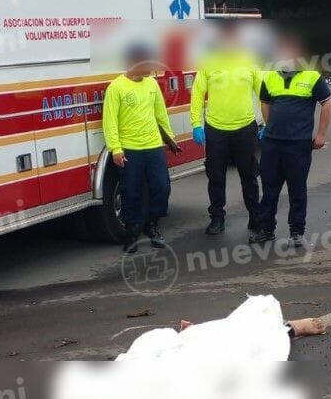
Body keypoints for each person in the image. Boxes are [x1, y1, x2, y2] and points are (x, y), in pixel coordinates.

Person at [250, 40, 331, 247]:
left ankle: (297, 232)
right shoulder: (269, 76)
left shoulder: (312, 77)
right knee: (269, 189)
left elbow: (327, 104)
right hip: (272, 144)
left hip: (298, 145)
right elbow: (265, 103)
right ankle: (266, 230)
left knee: (297, 190)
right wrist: (270, 127)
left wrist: (321, 134)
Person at [102, 44, 182, 254]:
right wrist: (116, 149)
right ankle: (132, 232)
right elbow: (109, 122)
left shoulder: (152, 85)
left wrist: (170, 140)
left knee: (162, 187)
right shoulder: (116, 88)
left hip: (154, 146)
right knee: (130, 192)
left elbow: (160, 113)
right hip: (130, 149)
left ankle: (152, 223)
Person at [190, 23, 263, 236]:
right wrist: (196, 124)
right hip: (216, 129)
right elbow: (196, 94)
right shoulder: (208, 62)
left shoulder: (251, 62)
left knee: (249, 175)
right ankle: (217, 218)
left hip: (245, 127)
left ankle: (255, 217)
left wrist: (267, 122)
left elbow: (264, 93)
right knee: (215, 176)